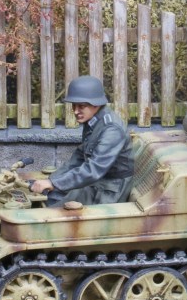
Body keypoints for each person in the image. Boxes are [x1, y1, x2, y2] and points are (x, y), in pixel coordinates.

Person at [28, 75, 134, 207]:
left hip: (109, 189)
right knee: (50, 197)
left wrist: (53, 183)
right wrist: (52, 180)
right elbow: (79, 157)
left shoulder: (111, 130)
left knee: (55, 212)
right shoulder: (94, 120)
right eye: (74, 105)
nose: (75, 111)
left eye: (81, 106)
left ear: (96, 104)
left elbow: (93, 169)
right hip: (94, 180)